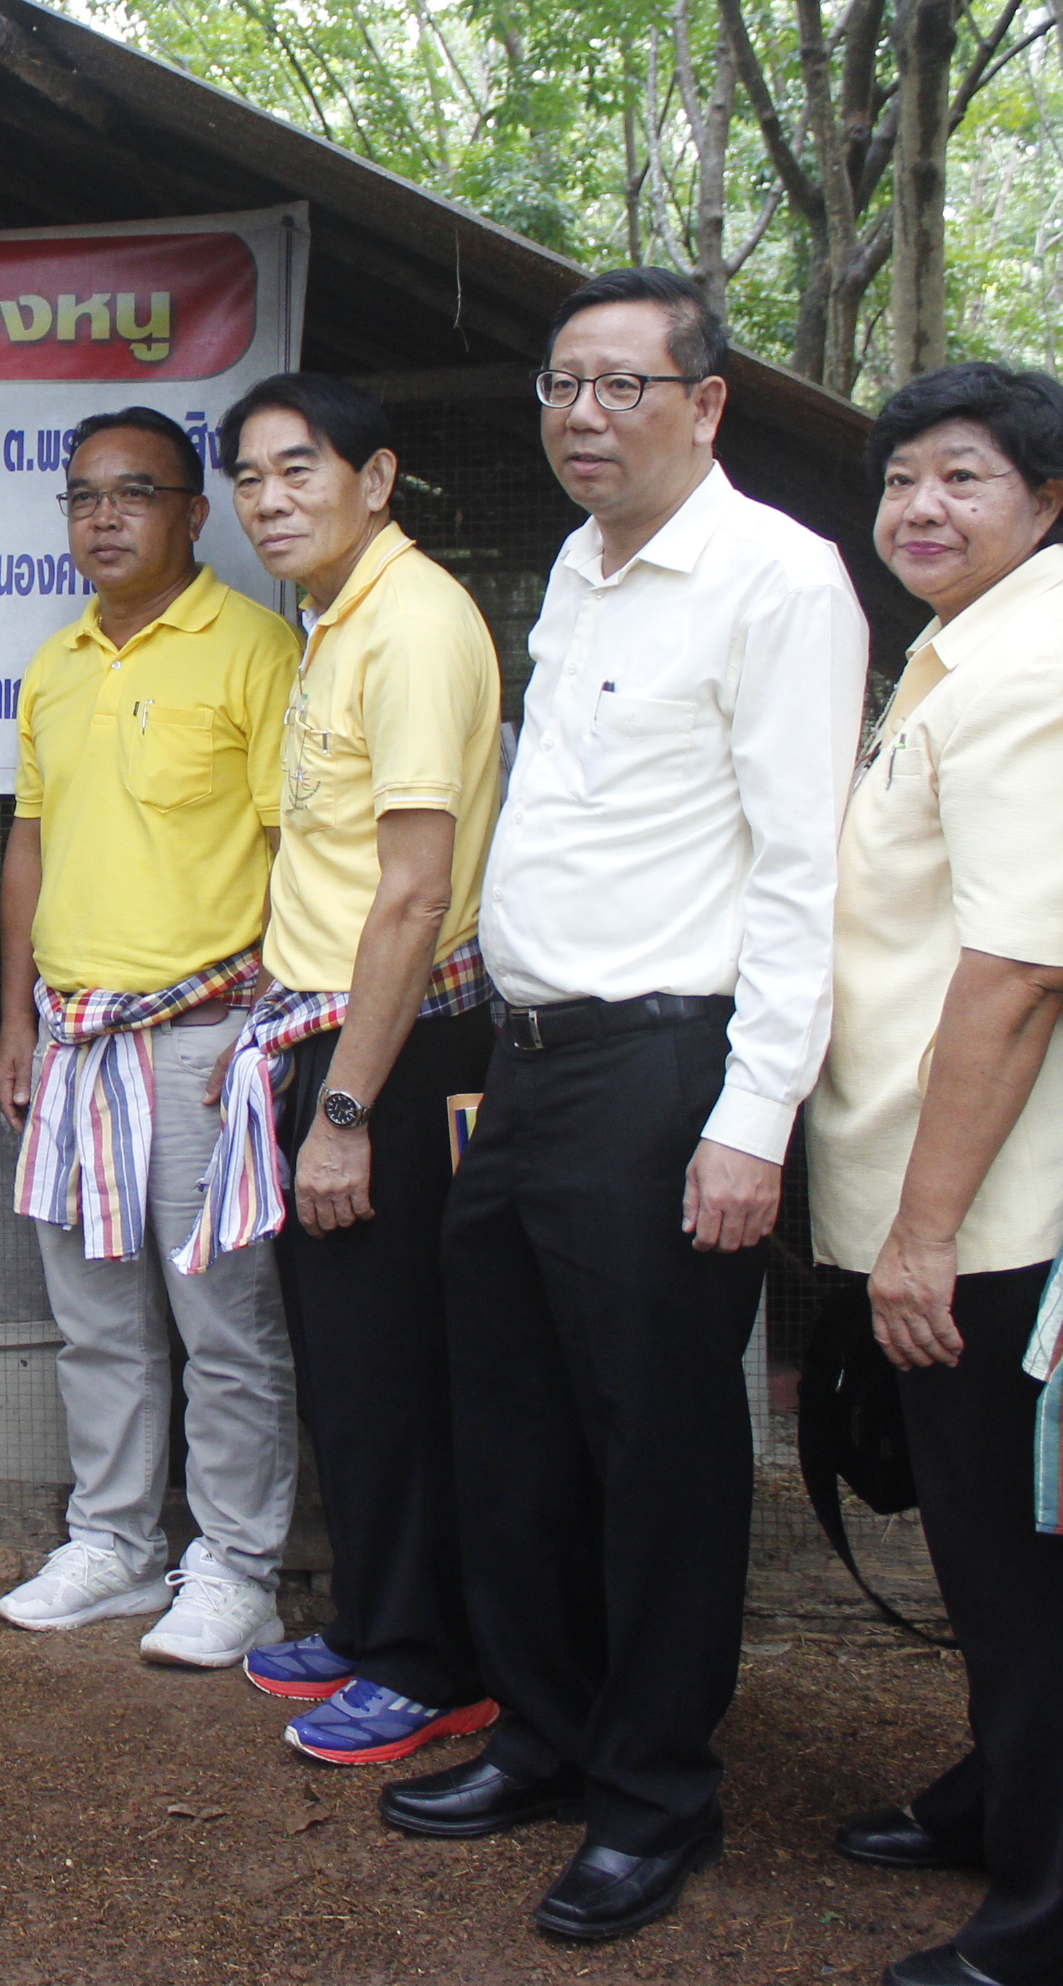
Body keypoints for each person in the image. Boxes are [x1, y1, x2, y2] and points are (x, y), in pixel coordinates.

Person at [382, 268, 866, 1944]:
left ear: (706, 403)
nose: (583, 414)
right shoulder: (582, 573)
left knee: (657, 1446)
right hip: (524, 1059)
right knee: (510, 1422)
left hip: (668, 1067)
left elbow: (806, 875)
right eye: (562, 383)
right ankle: (546, 1732)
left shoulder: (779, 585)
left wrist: (751, 1119)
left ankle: (654, 1791)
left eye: (623, 385)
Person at [802, 366, 1063, 1986]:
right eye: (900, 482)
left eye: (962, 477)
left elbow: (1018, 972)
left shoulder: (1052, 669)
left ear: (1050, 500)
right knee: (976, 1541)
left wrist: (926, 1231)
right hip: (925, 1179)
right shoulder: (969, 650)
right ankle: (999, 1792)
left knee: (1039, 1572)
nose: (920, 510)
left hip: (1000, 1207)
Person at [210, 375, 503, 1763]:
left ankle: (434, 1657)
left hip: (393, 1042)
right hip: (324, 1027)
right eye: (250, 478)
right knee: (347, 1357)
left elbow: (414, 892)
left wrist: (342, 1112)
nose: (270, 499)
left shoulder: (419, 627)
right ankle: (379, 1615)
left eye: (297, 469)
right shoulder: (336, 623)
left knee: (399, 1362)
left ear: (374, 478)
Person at [0, 405, 300, 1668]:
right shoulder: (58, 662)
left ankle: (237, 1566)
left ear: (196, 512)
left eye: (132, 492)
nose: (102, 517)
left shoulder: (257, 650)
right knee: (98, 1321)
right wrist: (14, 1016)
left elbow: (302, 851)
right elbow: (32, 843)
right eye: (80, 498)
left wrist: (271, 1021)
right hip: (74, 1045)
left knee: (224, 1326)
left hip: (204, 1038)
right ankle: (113, 1543)